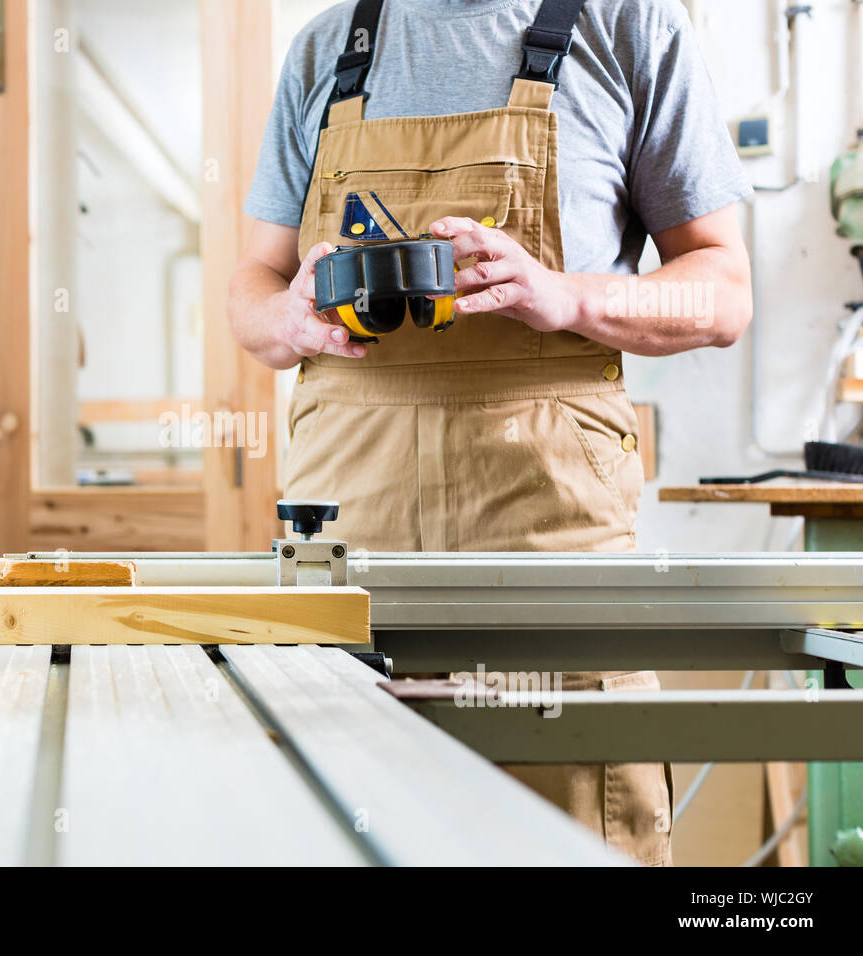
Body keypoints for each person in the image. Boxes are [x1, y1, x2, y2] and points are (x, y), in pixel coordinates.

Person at [229, 0, 753, 865]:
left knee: (578, 832)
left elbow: (724, 293)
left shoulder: (630, 27)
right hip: (347, 577)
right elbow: (254, 284)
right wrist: (286, 317)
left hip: (551, 572)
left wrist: (567, 297)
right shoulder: (328, 47)